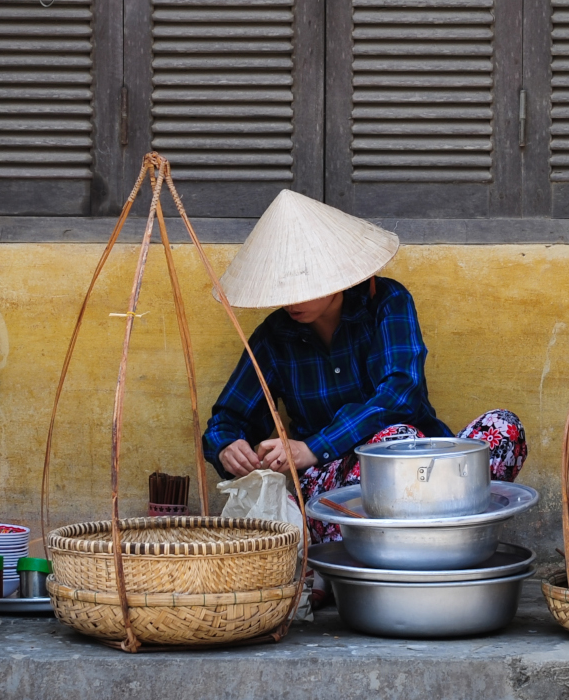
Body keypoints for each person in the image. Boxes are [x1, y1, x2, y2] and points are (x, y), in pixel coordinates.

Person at [202, 190, 526, 542]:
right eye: (282, 287)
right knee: (392, 445)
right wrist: (227, 446)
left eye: (302, 283)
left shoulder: (387, 302)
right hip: (335, 488)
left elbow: (401, 394)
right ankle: (397, 546)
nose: (290, 300)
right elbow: (227, 419)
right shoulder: (272, 338)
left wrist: (312, 447)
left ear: (334, 273)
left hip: (424, 469)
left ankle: (444, 536)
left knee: (493, 427)